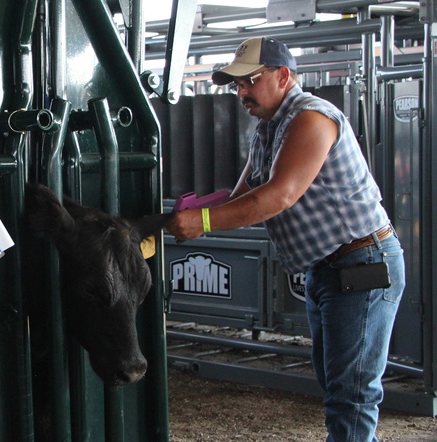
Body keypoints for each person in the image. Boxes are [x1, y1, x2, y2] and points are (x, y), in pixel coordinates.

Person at [167, 37, 405, 442]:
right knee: (339, 386)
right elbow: (241, 197)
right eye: (236, 85)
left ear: (283, 76)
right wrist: (185, 210)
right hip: (328, 270)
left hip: (361, 264)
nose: (241, 93)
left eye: (249, 81)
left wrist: (203, 221)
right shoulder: (268, 128)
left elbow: (279, 195)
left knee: (352, 395)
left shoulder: (311, 118)